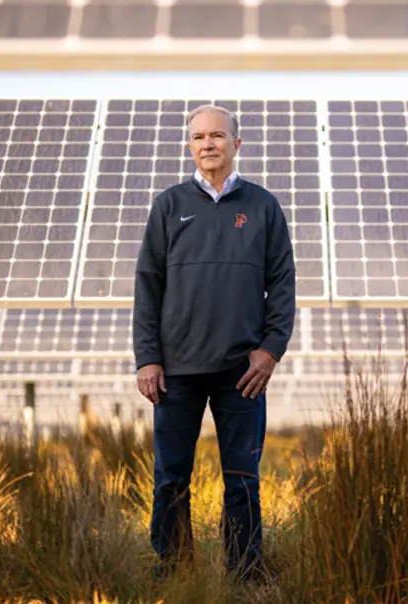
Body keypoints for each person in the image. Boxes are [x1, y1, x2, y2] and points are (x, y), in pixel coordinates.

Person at [132, 104, 296, 582]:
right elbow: (148, 285)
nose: (208, 144)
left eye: (218, 136)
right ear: (190, 146)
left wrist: (271, 349)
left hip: (241, 373)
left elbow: (283, 282)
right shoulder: (168, 205)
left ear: (236, 144)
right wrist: (148, 358)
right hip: (176, 370)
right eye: (199, 136)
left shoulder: (263, 206)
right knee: (170, 480)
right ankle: (172, 573)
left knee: (242, 481)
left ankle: (245, 576)